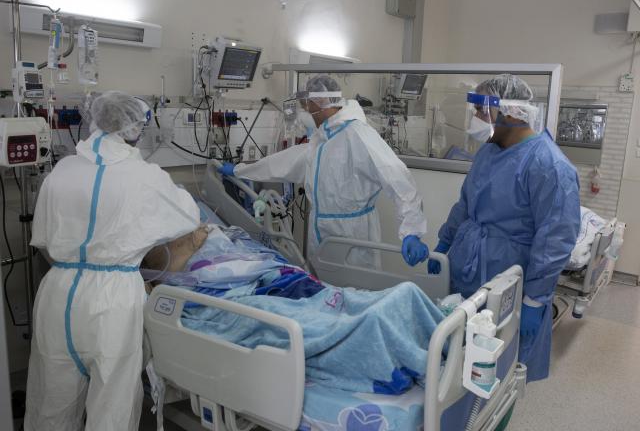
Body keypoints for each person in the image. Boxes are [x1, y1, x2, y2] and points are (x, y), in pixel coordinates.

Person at [24, 91, 201, 430]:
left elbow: (43, 237)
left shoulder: (62, 170)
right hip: (113, 298)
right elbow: (187, 217)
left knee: (51, 401)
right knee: (112, 405)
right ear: (135, 128)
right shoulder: (144, 175)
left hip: (58, 292)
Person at [428, 74, 580, 382]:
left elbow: (555, 239)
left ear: (509, 112)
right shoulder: (488, 152)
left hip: (508, 277)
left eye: (481, 110)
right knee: (460, 355)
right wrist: (444, 244)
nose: (475, 119)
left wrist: (535, 300)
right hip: (468, 263)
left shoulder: (549, 165)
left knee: (498, 367)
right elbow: (465, 205)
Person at [219, 75, 428, 268]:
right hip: (321, 234)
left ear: (319, 104)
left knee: (357, 294)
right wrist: (240, 171)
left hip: (353, 235)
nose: (305, 113)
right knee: (325, 296)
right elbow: (283, 162)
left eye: (307, 107)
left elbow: (398, 178)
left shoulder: (358, 134)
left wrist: (412, 230)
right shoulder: (321, 141)